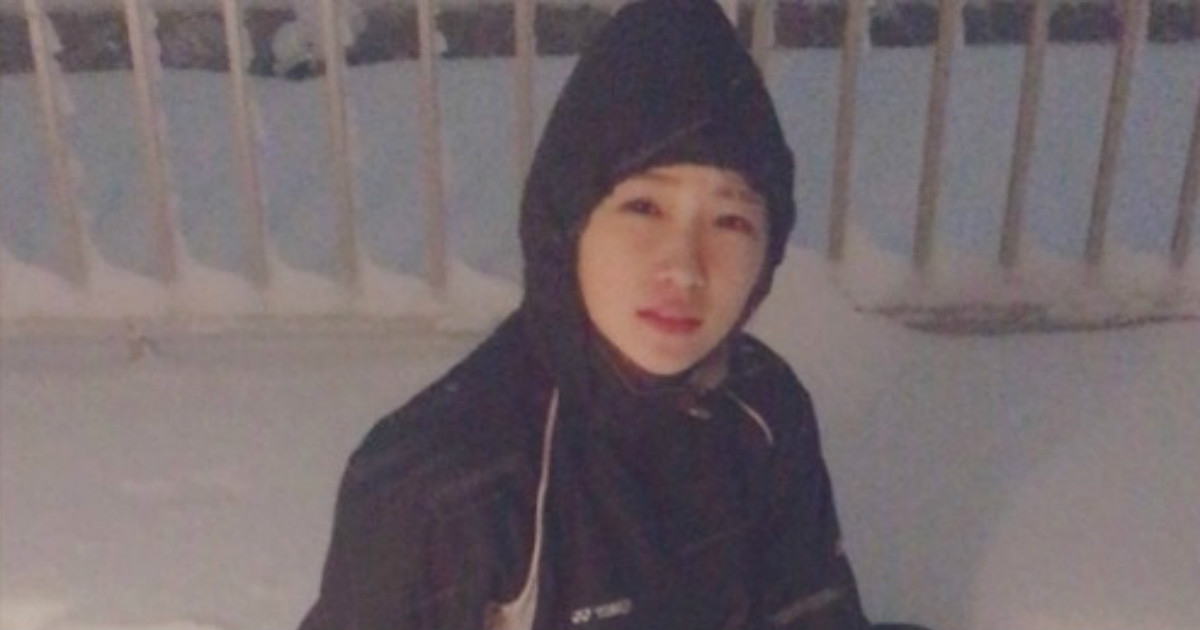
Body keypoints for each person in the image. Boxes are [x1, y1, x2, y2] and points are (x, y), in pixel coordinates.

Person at [299, 0, 928, 628]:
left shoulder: (764, 405)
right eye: (644, 208)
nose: (685, 267)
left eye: (730, 220)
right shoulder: (442, 483)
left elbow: (810, 609)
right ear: (569, 222)